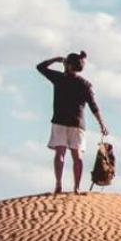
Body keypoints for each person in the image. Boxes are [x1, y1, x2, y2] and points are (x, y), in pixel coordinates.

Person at [35, 50, 109, 194]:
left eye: (65, 62)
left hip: (60, 121)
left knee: (60, 154)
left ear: (69, 65)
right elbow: (94, 106)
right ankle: (76, 188)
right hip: (77, 123)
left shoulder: (59, 78)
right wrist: (102, 124)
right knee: (77, 156)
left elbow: (40, 67)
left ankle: (58, 185)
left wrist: (56, 59)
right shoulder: (85, 84)